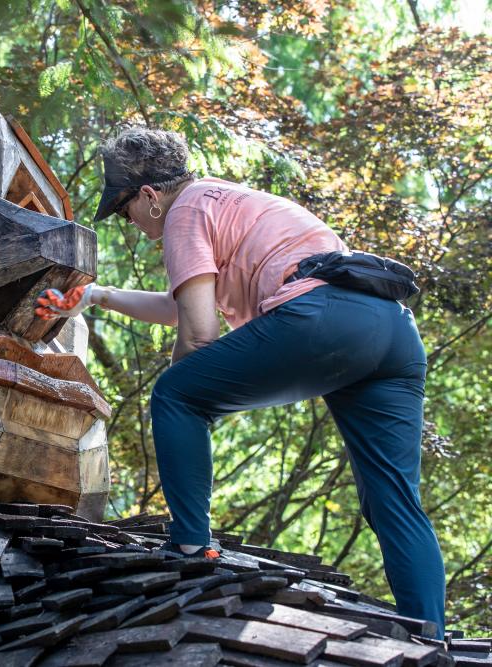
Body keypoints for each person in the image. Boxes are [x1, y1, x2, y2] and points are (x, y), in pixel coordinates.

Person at [35, 127, 446, 638]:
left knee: (177, 392)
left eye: (124, 211)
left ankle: (189, 543)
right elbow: (186, 305)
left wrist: (187, 388)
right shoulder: (230, 202)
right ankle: (432, 636)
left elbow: (199, 334)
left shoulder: (185, 211)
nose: (129, 223)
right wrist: (98, 294)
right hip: (390, 332)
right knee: (392, 498)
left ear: (149, 196)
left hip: (323, 319)